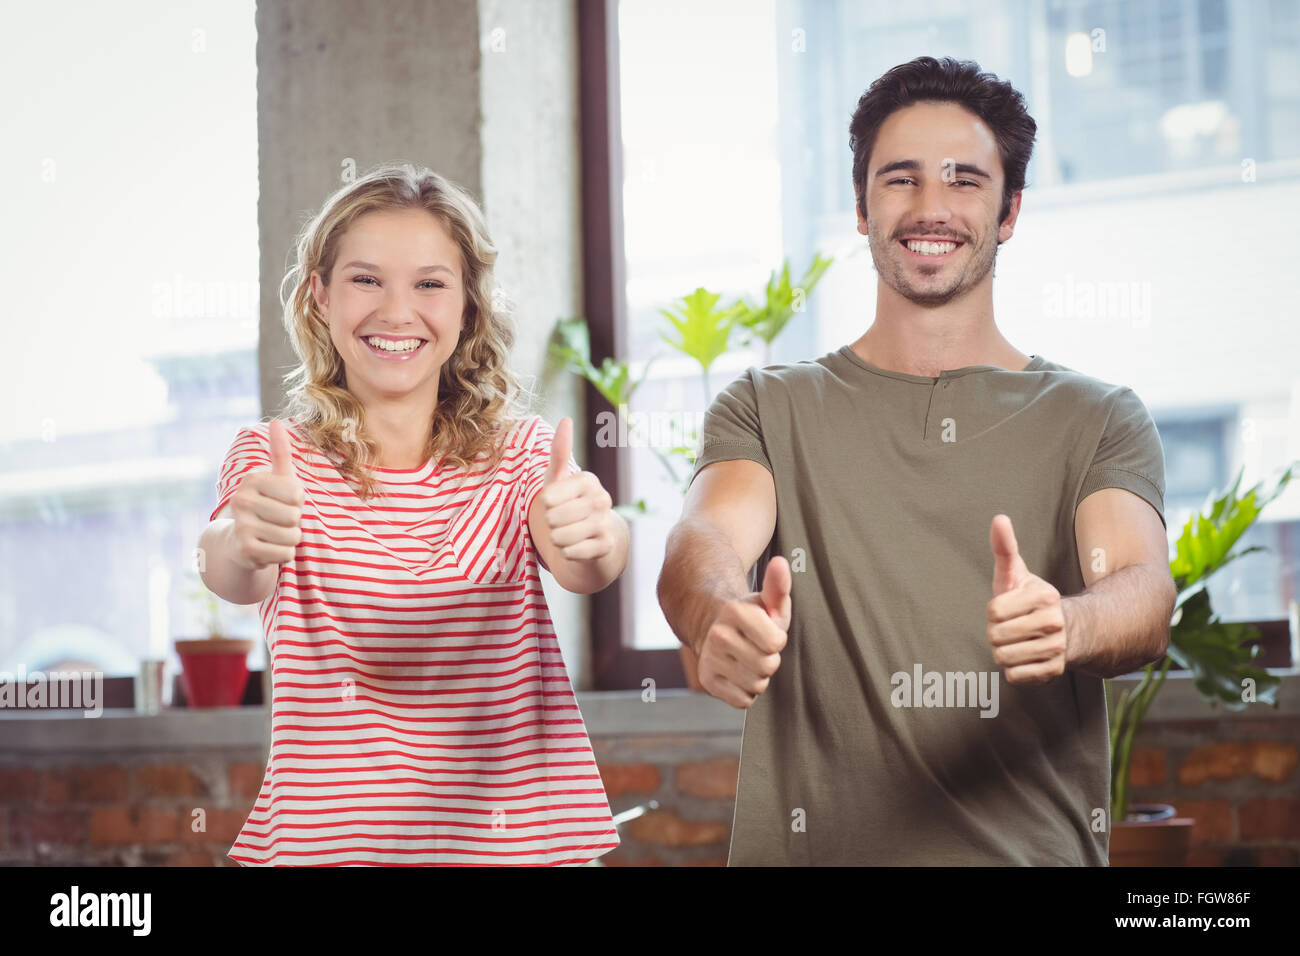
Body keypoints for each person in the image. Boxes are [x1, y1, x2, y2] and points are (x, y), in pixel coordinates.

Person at [657, 56, 1176, 865]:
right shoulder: (767, 405)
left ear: (1009, 213)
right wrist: (719, 612)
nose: (930, 207)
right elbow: (701, 545)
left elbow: (1144, 593)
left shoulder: (1098, 416)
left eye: (965, 180)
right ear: (861, 206)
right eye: (900, 179)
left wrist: (1070, 624)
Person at [197, 163, 629, 865]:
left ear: (467, 308)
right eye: (366, 279)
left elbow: (589, 563)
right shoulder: (275, 459)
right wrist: (242, 542)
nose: (397, 312)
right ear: (321, 296)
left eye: (430, 283)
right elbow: (233, 568)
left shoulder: (522, 459)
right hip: (330, 852)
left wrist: (594, 534)